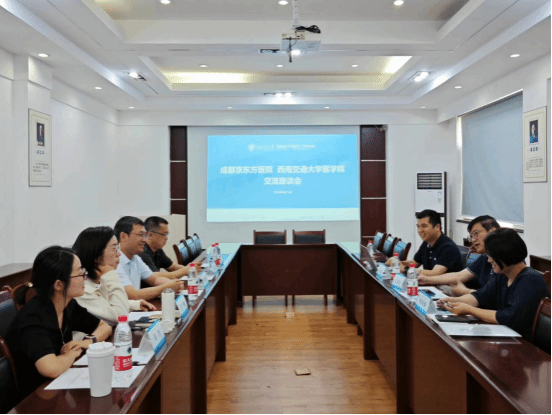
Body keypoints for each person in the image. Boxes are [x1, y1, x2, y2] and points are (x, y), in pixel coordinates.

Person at [5, 246, 112, 399]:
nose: (85, 277)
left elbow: (104, 327)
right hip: (35, 398)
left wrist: (86, 343)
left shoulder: (68, 304)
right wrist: (73, 353)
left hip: (59, 386)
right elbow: (51, 368)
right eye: (79, 273)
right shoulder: (33, 317)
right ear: (58, 285)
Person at [438, 229, 550, 340]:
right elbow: (479, 296)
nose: (489, 261)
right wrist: (452, 301)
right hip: (506, 335)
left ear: (505, 254)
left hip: (523, 343)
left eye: (491, 256)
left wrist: (469, 310)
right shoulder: (503, 275)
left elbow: (508, 317)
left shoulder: (530, 280)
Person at [72, 227, 156, 325]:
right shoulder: (82, 290)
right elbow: (121, 318)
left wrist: (134, 305)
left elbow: (106, 304)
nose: (119, 254)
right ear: (97, 255)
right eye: (114, 249)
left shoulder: (97, 279)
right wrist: (111, 276)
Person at [418, 215, 500, 295]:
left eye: (476, 233)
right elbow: (459, 275)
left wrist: (465, 292)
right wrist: (426, 279)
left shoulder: (504, 259)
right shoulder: (484, 257)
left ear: (492, 231)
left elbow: (495, 298)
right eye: (471, 236)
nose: (473, 240)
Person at [114, 216, 184, 301]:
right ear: (123, 237)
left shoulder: (135, 258)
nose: (144, 240)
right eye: (141, 235)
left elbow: (154, 279)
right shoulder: (114, 261)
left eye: (145, 235)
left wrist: (174, 284)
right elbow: (133, 295)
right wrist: (167, 287)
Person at [387, 209, 463, 276]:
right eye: (418, 226)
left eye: (424, 226)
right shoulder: (426, 243)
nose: (420, 231)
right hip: (430, 284)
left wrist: (405, 269)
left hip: (446, 287)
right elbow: (414, 263)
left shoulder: (448, 247)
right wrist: (397, 263)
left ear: (437, 227)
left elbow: (435, 273)